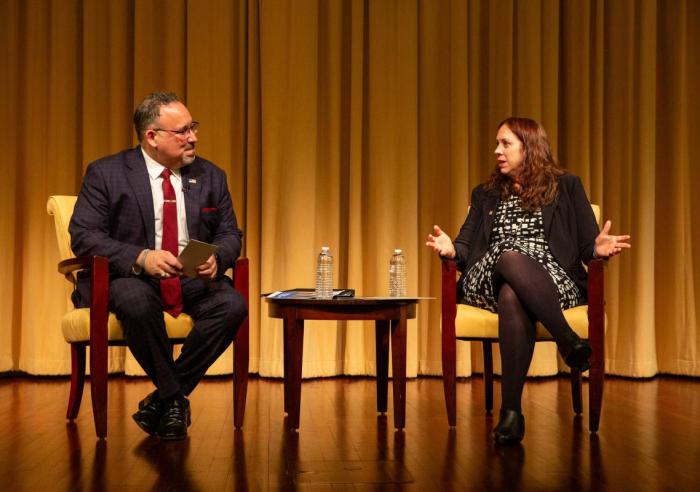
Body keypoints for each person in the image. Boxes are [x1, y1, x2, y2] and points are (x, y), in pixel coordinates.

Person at [426, 117, 630, 444]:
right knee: (508, 256)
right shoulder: (485, 194)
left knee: (512, 295)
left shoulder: (567, 186)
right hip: (487, 276)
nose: (497, 151)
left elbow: (584, 245)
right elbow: (465, 247)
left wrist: (596, 248)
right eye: (497, 144)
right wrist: (451, 249)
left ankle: (511, 414)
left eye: (505, 144)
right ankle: (568, 340)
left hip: (549, 278)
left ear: (529, 147)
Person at [70, 92, 248, 440]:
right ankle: (174, 399)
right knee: (136, 302)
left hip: (191, 278)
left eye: (192, 128)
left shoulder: (211, 176)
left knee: (232, 305)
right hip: (130, 277)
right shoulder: (106, 173)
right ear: (152, 136)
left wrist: (218, 257)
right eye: (182, 131)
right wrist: (142, 257)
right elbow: (84, 235)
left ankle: (165, 398)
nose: (193, 137)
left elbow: (230, 232)